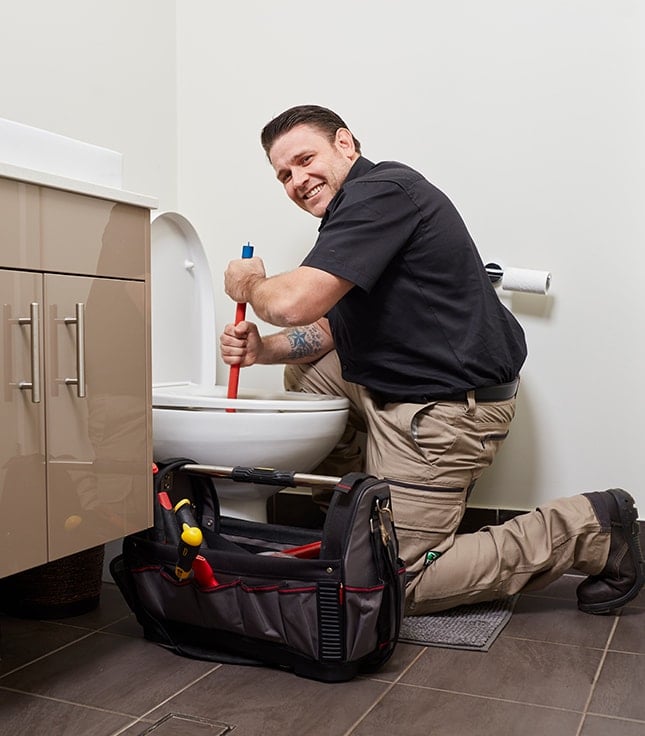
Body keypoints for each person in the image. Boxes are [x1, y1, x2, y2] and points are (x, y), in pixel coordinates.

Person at [219, 104, 644, 616]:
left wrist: (251, 286)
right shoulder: (354, 211)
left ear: (346, 144)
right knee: (309, 374)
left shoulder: (381, 194)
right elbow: (333, 326)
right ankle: (365, 515)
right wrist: (264, 350)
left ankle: (593, 526)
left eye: (305, 159)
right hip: (399, 389)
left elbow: (291, 304)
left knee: (398, 581)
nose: (297, 180)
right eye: (284, 174)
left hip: (443, 409)